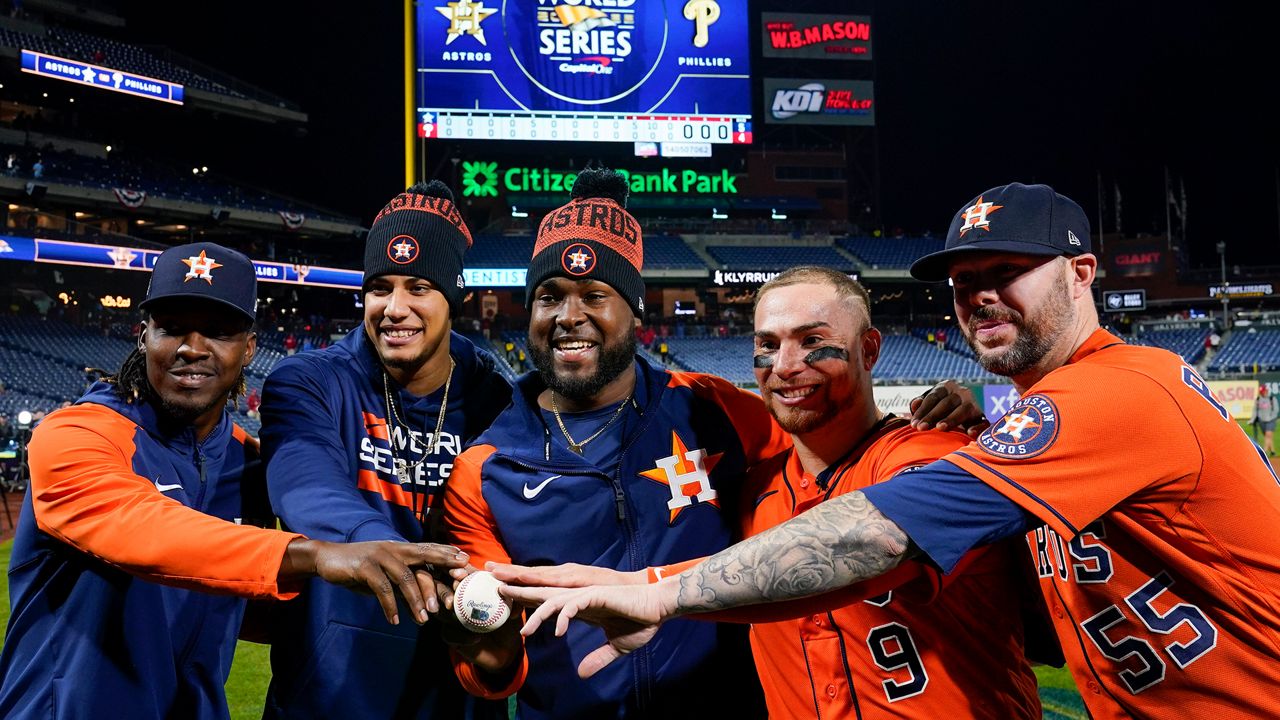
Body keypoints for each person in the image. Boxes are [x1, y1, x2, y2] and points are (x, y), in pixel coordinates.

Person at [510, 183, 1280, 720]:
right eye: (962, 280)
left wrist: (656, 591)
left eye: (1006, 273)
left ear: (1082, 274)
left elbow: (879, 530)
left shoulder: (1116, 393)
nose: (978, 295)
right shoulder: (1013, 435)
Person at [497, 266, 1042, 719]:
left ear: (870, 349)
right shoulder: (753, 490)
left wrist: (651, 590)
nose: (785, 368)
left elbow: (865, 538)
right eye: (767, 345)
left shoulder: (935, 457)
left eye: (814, 342)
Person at [0, 242, 468, 719]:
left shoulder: (247, 465)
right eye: (172, 328)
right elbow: (139, 526)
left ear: (248, 348)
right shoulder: (75, 434)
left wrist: (415, 602)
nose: (192, 348)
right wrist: (316, 555)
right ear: (144, 336)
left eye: (219, 331)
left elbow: (235, 599)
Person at [442, 168, 791, 719]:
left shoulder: (713, 410)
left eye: (594, 295)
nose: (568, 316)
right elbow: (490, 659)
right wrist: (490, 655)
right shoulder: (484, 470)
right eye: (549, 296)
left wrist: (930, 420)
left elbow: (833, 464)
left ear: (636, 308)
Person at [258, 182, 514, 719]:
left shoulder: (497, 397)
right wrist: (381, 549)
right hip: (329, 695)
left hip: (454, 693)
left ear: (455, 295)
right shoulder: (308, 380)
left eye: (418, 286)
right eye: (380, 287)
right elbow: (304, 484)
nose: (394, 309)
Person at [1253, 384, 1278, 454]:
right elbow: (1255, 410)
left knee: (1268, 435)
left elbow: (1276, 410)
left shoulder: (1272, 399)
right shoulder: (1258, 399)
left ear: (1266, 390)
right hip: (1262, 420)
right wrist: (1252, 420)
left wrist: (1270, 417)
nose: (1263, 393)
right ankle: (1273, 451)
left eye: (1263, 391)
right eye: (1261, 392)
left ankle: (1264, 451)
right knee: (1268, 436)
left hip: (1271, 420)